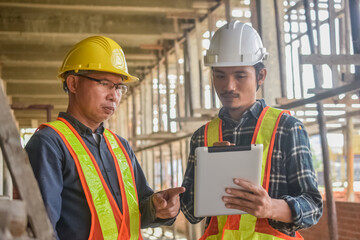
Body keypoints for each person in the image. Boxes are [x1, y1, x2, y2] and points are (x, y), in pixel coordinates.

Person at [25, 36, 185, 240]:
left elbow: (134, 213)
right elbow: (40, 229)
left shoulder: (119, 145)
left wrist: (159, 207)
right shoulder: (50, 143)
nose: (114, 95)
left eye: (119, 87)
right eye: (105, 84)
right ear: (73, 83)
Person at [180, 21, 323, 239]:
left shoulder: (287, 128)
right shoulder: (202, 136)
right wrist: (208, 173)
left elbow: (313, 206)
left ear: (261, 76)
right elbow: (190, 212)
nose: (228, 86)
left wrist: (271, 207)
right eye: (220, 75)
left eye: (240, 75)